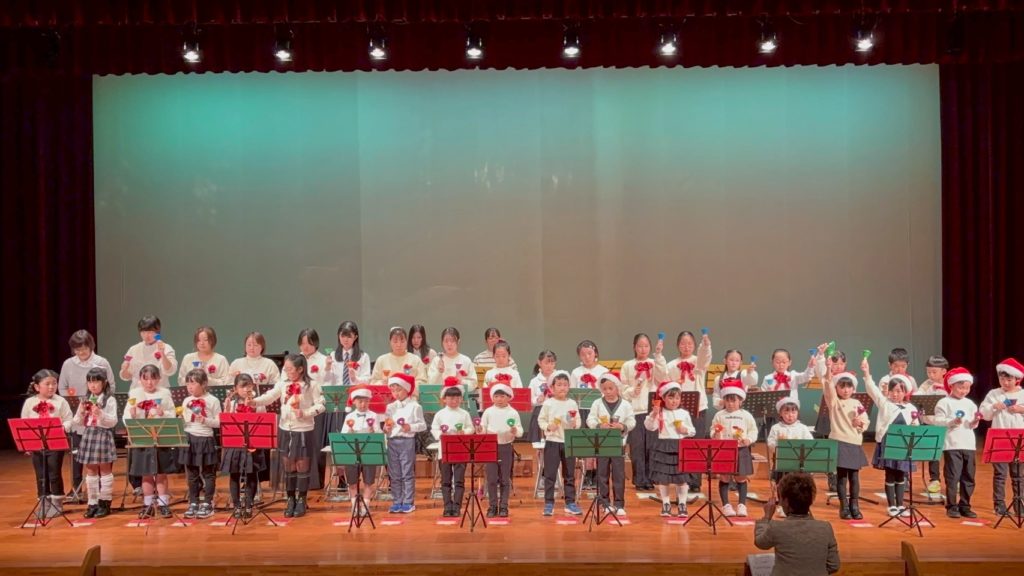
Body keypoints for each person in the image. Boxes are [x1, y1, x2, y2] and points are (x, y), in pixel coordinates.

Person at [250, 353, 325, 518]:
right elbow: (270, 396)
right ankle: (290, 499)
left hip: (303, 429)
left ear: (300, 369)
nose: (287, 371)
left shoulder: (311, 385)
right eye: (285, 368)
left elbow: (321, 405)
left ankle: (302, 499)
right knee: (289, 465)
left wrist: (305, 412)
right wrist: (255, 402)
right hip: (285, 428)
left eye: (290, 369)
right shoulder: (283, 384)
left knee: (302, 466)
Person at [58, 329, 116, 503]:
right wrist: (76, 403)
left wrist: (100, 403)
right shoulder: (68, 364)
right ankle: (77, 489)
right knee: (78, 455)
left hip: (100, 417)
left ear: (91, 346)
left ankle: (103, 492)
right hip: (79, 410)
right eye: (77, 349)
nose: (81, 352)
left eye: (84, 348)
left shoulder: (101, 362)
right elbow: (62, 387)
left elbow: (111, 385)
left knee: (102, 460)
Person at [818, 344, 870, 520]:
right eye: (842, 386)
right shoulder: (834, 402)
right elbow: (827, 384)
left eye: (849, 387)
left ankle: (855, 505)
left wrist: (860, 424)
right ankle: (843, 506)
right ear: (837, 388)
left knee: (854, 477)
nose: (846, 389)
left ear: (853, 389)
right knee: (841, 478)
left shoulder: (857, 403)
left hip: (854, 442)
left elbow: (865, 420)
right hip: (839, 442)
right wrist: (828, 368)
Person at [754, 472, 841, 576]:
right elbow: (834, 565)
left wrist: (766, 517)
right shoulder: (825, 528)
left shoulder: (777, 527)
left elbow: (760, 542)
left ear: (786, 502)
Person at [862, 359, 918, 517]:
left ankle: (900, 505)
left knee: (901, 475)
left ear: (905, 392)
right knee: (890, 474)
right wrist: (866, 373)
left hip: (904, 445)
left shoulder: (910, 408)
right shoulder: (885, 403)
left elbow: (916, 425)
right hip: (888, 443)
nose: (895, 394)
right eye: (892, 390)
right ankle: (892, 505)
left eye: (899, 391)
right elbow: (872, 389)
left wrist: (914, 425)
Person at [124, 364, 177, 519]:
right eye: (145, 379)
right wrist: (133, 415)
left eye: (153, 379)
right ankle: (147, 505)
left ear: (159, 379)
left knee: (161, 472)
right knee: (146, 473)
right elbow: (126, 417)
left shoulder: (164, 394)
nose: (149, 382)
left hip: (160, 438)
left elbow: (173, 414)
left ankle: (163, 504)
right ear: (140, 379)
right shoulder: (135, 394)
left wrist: (163, 413)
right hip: (143, 438)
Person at [22, 369, 73, 519]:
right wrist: (27, 444)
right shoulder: (30, 402)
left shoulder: (60, 401)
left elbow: (68, 419)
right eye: (47, 384)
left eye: (54, 383)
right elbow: (24, 422)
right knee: (40, 475)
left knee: (54, 473)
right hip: (37, 443)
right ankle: (44, 502)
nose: (51, 387)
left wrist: (61, 428)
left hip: (55, 442)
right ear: (37, 387)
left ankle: (57, 503)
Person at [620, 333, 668, 491]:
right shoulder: (627, 365)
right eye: (640, 346)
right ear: (634, 347)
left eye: (646, 346)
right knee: (637, 447)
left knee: (652, 446)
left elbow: (663, 377)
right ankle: (640, 480)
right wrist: (632, 391)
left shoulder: (654, 363)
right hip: (634, 411)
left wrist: (658, 354)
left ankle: (652, 478)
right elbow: (622, 388)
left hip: (652, 410)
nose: (643, 349)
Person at [930, 367, 980, 518]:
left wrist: (975, 421)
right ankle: (952, 506)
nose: (964, 391)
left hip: (968, 444)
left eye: (967, 388)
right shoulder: (944, 402)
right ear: (951, 385)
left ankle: (965, 505)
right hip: (952, 444)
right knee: (953, 476)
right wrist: (952, 421)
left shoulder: (970, 404)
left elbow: (971, 425)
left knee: (969, 477)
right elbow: (938, 421)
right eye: (961, 387)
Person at [979, 357, 1024, 516]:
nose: (1005, 382)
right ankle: (999, 506)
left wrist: (1021, 409)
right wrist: (994, 407)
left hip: (1019, 438)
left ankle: (1020, 505)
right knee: (1000, 474)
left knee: (1019, 475)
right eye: (1002, 379)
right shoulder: (994, 394)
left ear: (1017, 379)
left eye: (1009, 379)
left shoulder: (1023, 394)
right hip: (999, 437)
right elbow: (983, 414)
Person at [586, 372, 635, 516]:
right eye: (604, 389)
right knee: (602, 474)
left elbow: (632, 421)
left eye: (610, 388)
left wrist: (622, 426)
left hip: (619, 443)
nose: (607, 392)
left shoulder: (625, 404)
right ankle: (605, 503)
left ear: (617, 387)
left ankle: (619, 504)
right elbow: (590, 419)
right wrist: (599, 426)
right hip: (602, 443)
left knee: (619, 475)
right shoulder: (597, 403)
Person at [73, 367, 118, 519]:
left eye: (96, 382)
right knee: (90, 470)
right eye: (90, 382)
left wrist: (100, 414)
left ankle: (105, 503)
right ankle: (92, 503)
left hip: (103, 434)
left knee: (104, 470)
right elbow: (77, 421)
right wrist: (81, 413)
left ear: (104, 383)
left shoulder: (109, 399)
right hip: (89, 434)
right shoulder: (85, 400)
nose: (92, 385)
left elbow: (113, 421)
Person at [645, 381, 695, 517]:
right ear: (664, 398)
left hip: (680, 446)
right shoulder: (660, 412)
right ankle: (665, 504)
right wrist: (654, 414)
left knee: (682, 478)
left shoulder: (684, 413)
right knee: (664, 478)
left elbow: (692, 430)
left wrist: (685, 430)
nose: (674, 401)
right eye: (671, 398)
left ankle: (682, 504)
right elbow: (649, 426)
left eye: (677, 398)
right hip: (664, 446)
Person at [221, 373, 267, 519]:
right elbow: (226, 424)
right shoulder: (232, 403)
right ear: (235, 388)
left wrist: (251, 406)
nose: (246, 389)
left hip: (252, 444)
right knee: (234, 474)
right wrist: (226, 410)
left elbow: (263, 420)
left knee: (251, 473)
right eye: (242, 386)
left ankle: (248, 505)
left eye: (249, 386)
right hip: (235, 443)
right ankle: (236, 506)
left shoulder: (258, 403)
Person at [710, 377, 758, 517]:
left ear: (740, 401)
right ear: (724, 401)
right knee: (724, 477)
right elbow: (713, 430)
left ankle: (742, 505)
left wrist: (749, 440)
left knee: (741, 478)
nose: (730, 404)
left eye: (734, 400)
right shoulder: (719, 415)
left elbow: (753, 430)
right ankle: (726, 505)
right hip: (724, 450)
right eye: (727, 400)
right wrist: (715, 433)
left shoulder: (746, 415)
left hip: (741, 449)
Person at [178, 369, 222, 520]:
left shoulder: (212, 400)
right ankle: (193, 502)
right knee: (192, 474)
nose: (189, 387)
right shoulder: (186, 401)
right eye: (187, 383)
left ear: (203, 384)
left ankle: (208, 503)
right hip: (190, 438)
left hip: (205, 438)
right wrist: (181, 420)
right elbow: (185, 422)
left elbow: (218, 422)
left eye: (193, 383)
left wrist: (205, 420)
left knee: (208, 473)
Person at [537, 370, 582, 516]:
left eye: (565, 385)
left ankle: (570, 503)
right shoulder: (548, 403)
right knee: (550, 474)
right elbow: (541, 420)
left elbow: (578, 421)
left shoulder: (572, 403)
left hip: (568, 441)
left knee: (569, 474)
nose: (562, 388)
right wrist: (548, 426)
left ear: (569, 387)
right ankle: (549, 503)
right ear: (552, 387)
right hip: (552, 441)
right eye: (559, 385)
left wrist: (575, 424)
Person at [383, 372, 426, 513]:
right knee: (394, 474)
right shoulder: (390, 407)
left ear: (406, 389)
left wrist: (410, 427)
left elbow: (422, 425)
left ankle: (408, 501)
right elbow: (387, 425)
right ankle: (397, 501)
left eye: (399, 390)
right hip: (392, 441)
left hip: (407, 441)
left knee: (407, 472)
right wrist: (386, 428)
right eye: (393, 391)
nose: (396, 393)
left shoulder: (415, 406)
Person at [430, 384, 474, 517]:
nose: (454, 401)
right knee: (446, 480)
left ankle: (457, 506)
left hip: (460, 449)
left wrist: (464, 431)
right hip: (445, 449)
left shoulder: (464, 414)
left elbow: (470, 428)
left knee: (459, 480)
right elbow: (434, 429)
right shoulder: (440, 414)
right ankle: (447, 506)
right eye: (451, 398)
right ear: (444, 399)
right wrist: (441, 435)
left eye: (457, 398)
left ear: (461, 399)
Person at [480, 383, 523, 517]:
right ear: (492, 397)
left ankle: (504, 506)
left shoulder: (513, 412)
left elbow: (520, 431)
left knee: (505, 479)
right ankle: (492, 506)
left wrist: (515, 431)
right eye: (496, 396)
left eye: (502, 396)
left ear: (508, 397)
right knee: (492, 479)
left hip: (506, 447)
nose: (499, 399)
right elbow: (482, 429)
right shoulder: (488, 412)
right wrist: (479, 430)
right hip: (490, 447)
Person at [766, 397, 814, 517]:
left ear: (797, 413)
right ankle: (782, 505)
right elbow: (770, 443)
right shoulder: (776, 428)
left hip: (798, 463)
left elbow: (810, 442)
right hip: (782, 462)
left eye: (793, 411)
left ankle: (799, 505)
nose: (790, 415)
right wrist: (778, 445)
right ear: (780, 413)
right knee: (781, 484)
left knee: (799, 485)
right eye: (786, 412)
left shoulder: (802, 428)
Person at [342, 386, 383, 518]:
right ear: (354, 402)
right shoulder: (349, 416)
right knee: (352, 482)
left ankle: (365, 507)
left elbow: (379, 434)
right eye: (360, 401)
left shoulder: (374, 416)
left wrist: (374, 432)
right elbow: (343, 435)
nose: (363, 404)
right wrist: (349, 433)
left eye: (366, 401)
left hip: (368, 452)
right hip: (352, 453)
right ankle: (354, 507)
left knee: (368, 481)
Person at [916, 355, 950, 493]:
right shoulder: (926, 384)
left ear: (944, 371)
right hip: (930, 423)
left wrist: (943, 388)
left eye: (934, 372)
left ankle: (952, 480)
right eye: (928, 372)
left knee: (950, 454)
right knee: (933, 454)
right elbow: (918, 397)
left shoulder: (950, 384)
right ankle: (934, 479)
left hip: (947, 425)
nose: (930, 375)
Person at [120, 315, 178, 390]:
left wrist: (163, 354)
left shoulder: (166, 348)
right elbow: (126, 377)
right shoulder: (133, 350)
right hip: (138, 392)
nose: (146, 336)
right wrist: (125, 369)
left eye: (150, 332)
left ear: (157, 332)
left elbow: (170, 371)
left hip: (159, 392)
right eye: (143, 332)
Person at [426, 327, 477, 391]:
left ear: (458, 342)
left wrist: (461, 381)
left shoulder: (466, 360)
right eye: (446, 341)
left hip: (460, 396)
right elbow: (430, 383)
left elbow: (474, 384)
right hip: (440, 396)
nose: (449, 344)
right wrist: (438, 372)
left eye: (452, 341)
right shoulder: (437, 360)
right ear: (442, 342)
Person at [326, 321, 371, 386]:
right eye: (342, 336)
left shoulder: (363, 356)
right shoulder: (332, 355)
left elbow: (367, 380)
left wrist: (355, 379)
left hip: (356, 390)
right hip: (338, 391)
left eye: (349, 336)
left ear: (355, 337)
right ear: (338, 336)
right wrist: (327, 367)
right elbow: (327, 381)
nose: (345, 340)